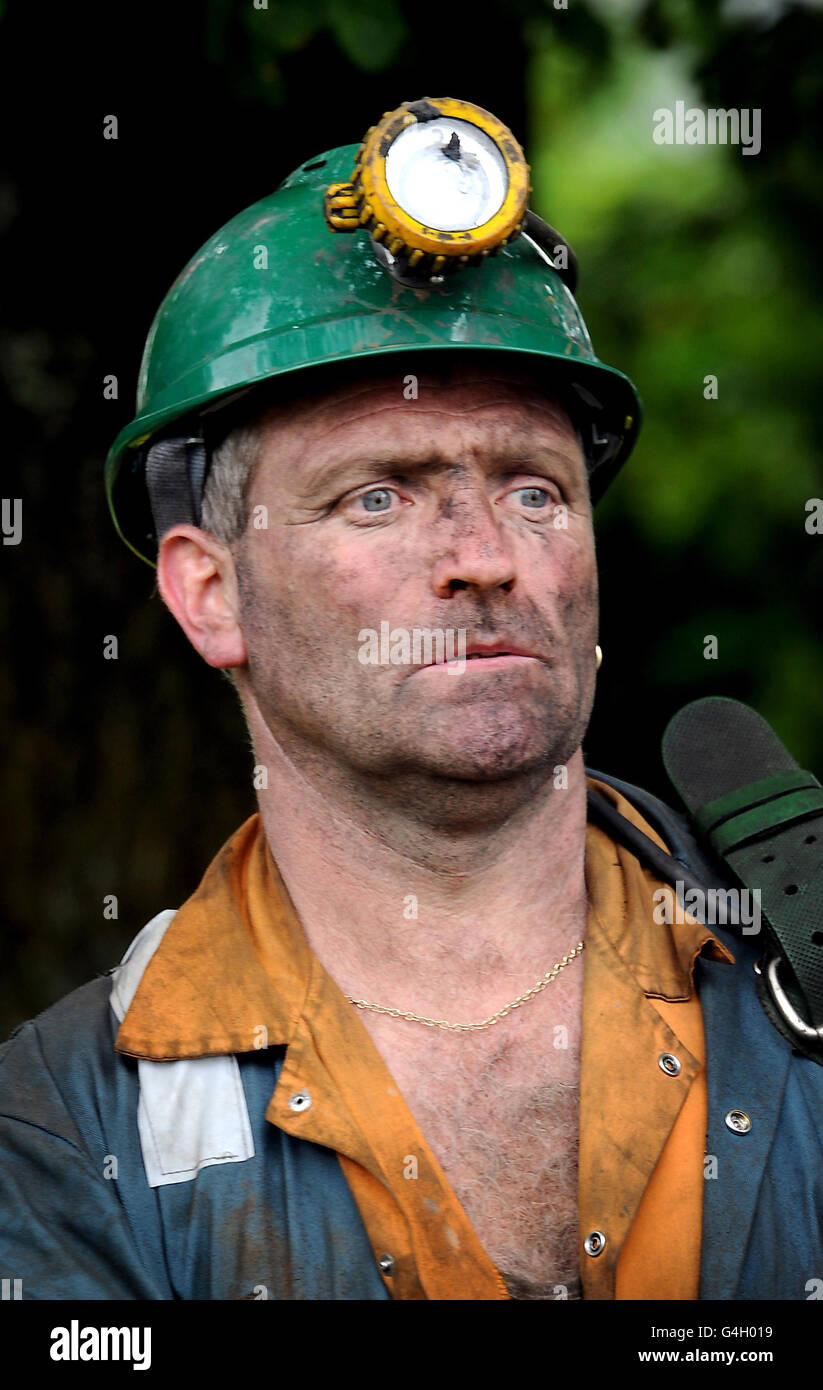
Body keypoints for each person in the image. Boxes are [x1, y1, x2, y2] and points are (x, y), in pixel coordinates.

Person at [2, 99, 822, 1303]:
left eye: (535, 490)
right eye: (377, 497)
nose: (483, 555)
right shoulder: (67, 1133)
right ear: (210, 594)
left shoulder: (796, 959)